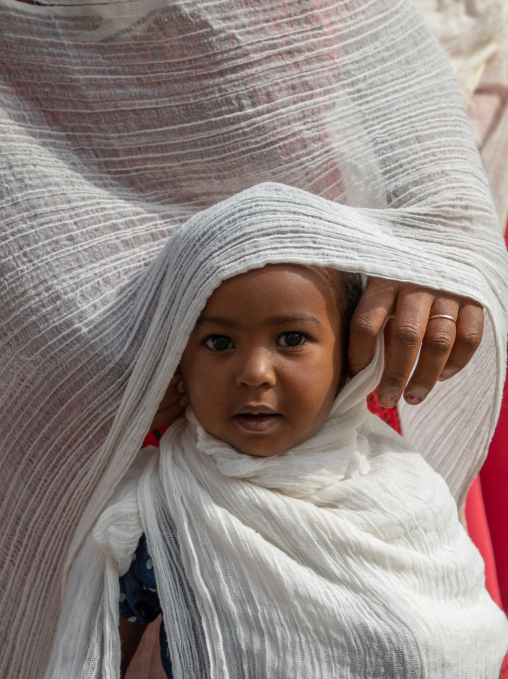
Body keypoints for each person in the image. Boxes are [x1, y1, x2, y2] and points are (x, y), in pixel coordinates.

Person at [45, 187, 508, 679]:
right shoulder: (155, 516)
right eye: (218, 342)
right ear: (175, 360)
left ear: (353, 357)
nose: (255, 372)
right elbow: (95, 655)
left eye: (292, 339)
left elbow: (458, 646)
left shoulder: (407, 491)